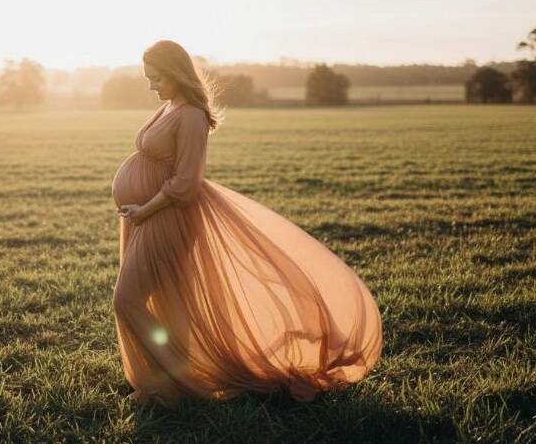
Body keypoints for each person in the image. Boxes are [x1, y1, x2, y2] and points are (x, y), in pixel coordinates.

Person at [110, 39, 383, 407]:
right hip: (148, 216)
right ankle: (170, 385)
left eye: (156, 78)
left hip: (168, 217)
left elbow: (186, 182)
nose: (151, 85)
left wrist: (145, 209)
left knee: (127, 300)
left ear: (176, 73)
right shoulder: (170, 106)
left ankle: (178, 384)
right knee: (169, 305)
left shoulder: (190, 114)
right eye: (148, 78)